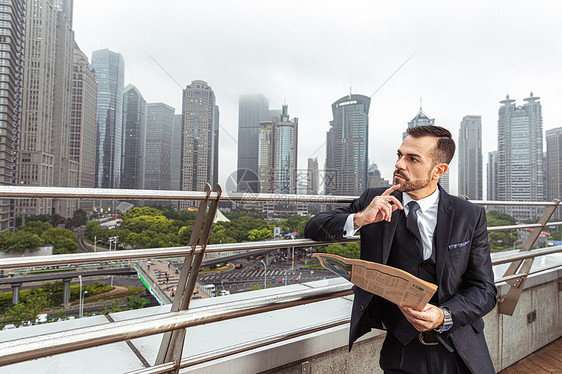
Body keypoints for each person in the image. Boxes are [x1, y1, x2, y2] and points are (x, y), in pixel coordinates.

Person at [305, 125, 497, 374]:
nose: (399, 164)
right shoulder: (374, 199)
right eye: (399, 155)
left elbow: (485, 289)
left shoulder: (469, 215)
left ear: (438, 170)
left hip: (460, 347)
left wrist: (443, 316)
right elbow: (313, 227)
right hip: (401, 351)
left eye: (412, 158)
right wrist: (361, 218)